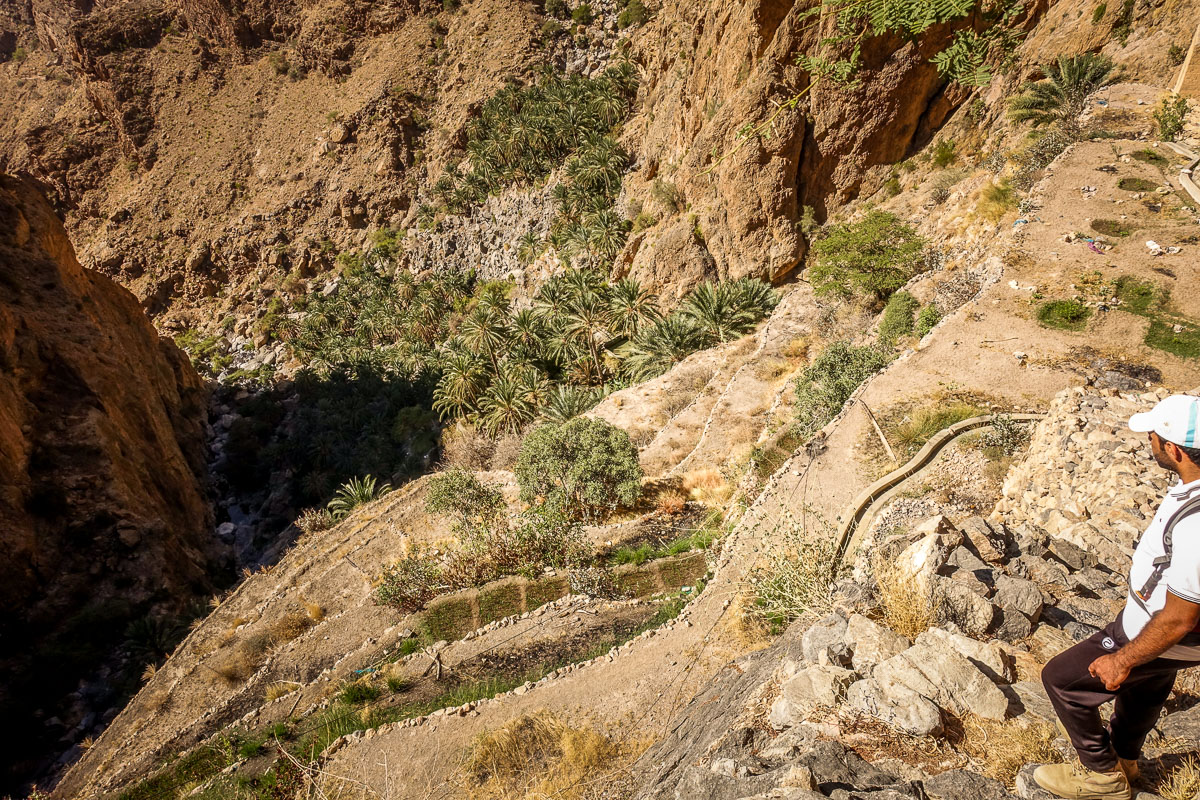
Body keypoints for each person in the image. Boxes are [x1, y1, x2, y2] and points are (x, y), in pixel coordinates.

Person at [1034, 394, 1200, 800]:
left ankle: (1103, 777)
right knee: (1147, 685)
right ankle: (1126, 760)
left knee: (1062, 680)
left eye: (1154, 437)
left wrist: (1122, 658)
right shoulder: (1192, 489)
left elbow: (1180, 618)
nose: (1149, 442)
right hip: (1170, 632)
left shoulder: (1197, 526)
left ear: (1174, 449)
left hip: (1165, 629)